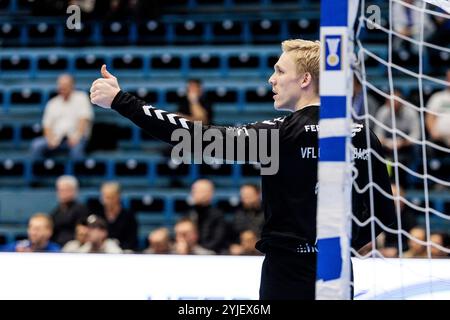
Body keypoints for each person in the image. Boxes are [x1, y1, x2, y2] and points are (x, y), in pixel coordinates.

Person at [90, 39, 395, 300]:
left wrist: (121, 101)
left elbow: (195, 139)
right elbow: (382, 214)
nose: (271, 79)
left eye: (279, 71)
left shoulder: (279, 135)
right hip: (338, 269)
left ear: (304, 79)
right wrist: (338, 246)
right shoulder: (362, 134)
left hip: (286, 271)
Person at [30, 74, 94, 161]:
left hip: (76, 138)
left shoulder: (81, 98)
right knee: (36, 145)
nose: (62, 87)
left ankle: (77, 173)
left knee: (77, 150)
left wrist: (77, 137)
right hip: (56, 139)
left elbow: (84, 119)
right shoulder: (52, 103)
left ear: (72, 86)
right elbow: (47, 125)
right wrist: (50, 139)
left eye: (65, 85)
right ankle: (41, 173)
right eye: (60, 85)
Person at [97, 181, 138, 251]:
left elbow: (131, 240)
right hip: (102, 250)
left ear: (117, 197)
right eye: (104, 197)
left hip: (123, 251)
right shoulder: (98, 214)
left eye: (109, 197)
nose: (106, 201)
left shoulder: (128, 215)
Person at [50, 175, 90, 246]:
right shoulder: (56, 211)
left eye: (66, 190)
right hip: (57, 246)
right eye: (60, 190)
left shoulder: (80, 209)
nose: (63, 193)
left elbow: (82, 232)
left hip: (74, 246)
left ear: (74, 191)